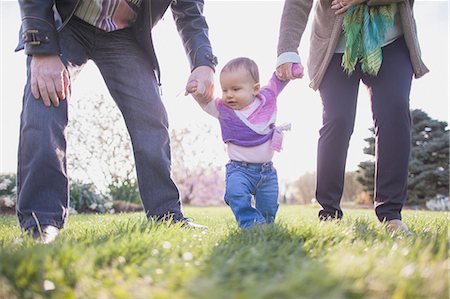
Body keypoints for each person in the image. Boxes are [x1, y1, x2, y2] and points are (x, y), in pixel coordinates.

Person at [15, 0, 218, 243]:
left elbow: (190, 12)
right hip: (67, 21)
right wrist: (42, 47)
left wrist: (203, 63)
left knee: (151, 115)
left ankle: (166, 215)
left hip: (123, 35)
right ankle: (40, 223)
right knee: (45, 100)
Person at [276, 0, 428, 233]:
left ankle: (391, 215)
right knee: (337, 120)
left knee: (394, 113)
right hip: (335, 46)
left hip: (391, 39)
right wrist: (287, 49)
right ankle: (329, 213)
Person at [188, 57, 302, 228]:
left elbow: (278, 79)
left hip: (267, 171)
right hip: (239, 170)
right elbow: (206, 102)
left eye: (235, 89)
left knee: (269, 208)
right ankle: (250, 223)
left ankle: (265, 227)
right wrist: (197, 91)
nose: (229, 95)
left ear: (255, 89)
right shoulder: (223, 109)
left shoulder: (266, 98)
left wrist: (292, 70)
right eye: (225, 90)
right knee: (236, 194)